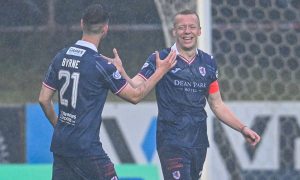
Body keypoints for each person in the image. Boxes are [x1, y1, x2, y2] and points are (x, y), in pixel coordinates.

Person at [110, 10, 261, 180]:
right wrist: (122, 73)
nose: (187, 31)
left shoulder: (208, 63)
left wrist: (243, 128)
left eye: (191, 27)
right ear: (174, 31)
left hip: (198, 142)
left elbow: (217, 104)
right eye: (181, 27)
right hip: (171, 141)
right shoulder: (160, 58)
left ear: (199, 31)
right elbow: (137, 84)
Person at [38, 3, 176, 180]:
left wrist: (59, 126)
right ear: (105, 29)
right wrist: (161, 71)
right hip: (87, 149)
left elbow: (43, 99)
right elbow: (135, 96)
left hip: (61, 146)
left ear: (82, 24)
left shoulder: (61, 56)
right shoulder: (100, 65)